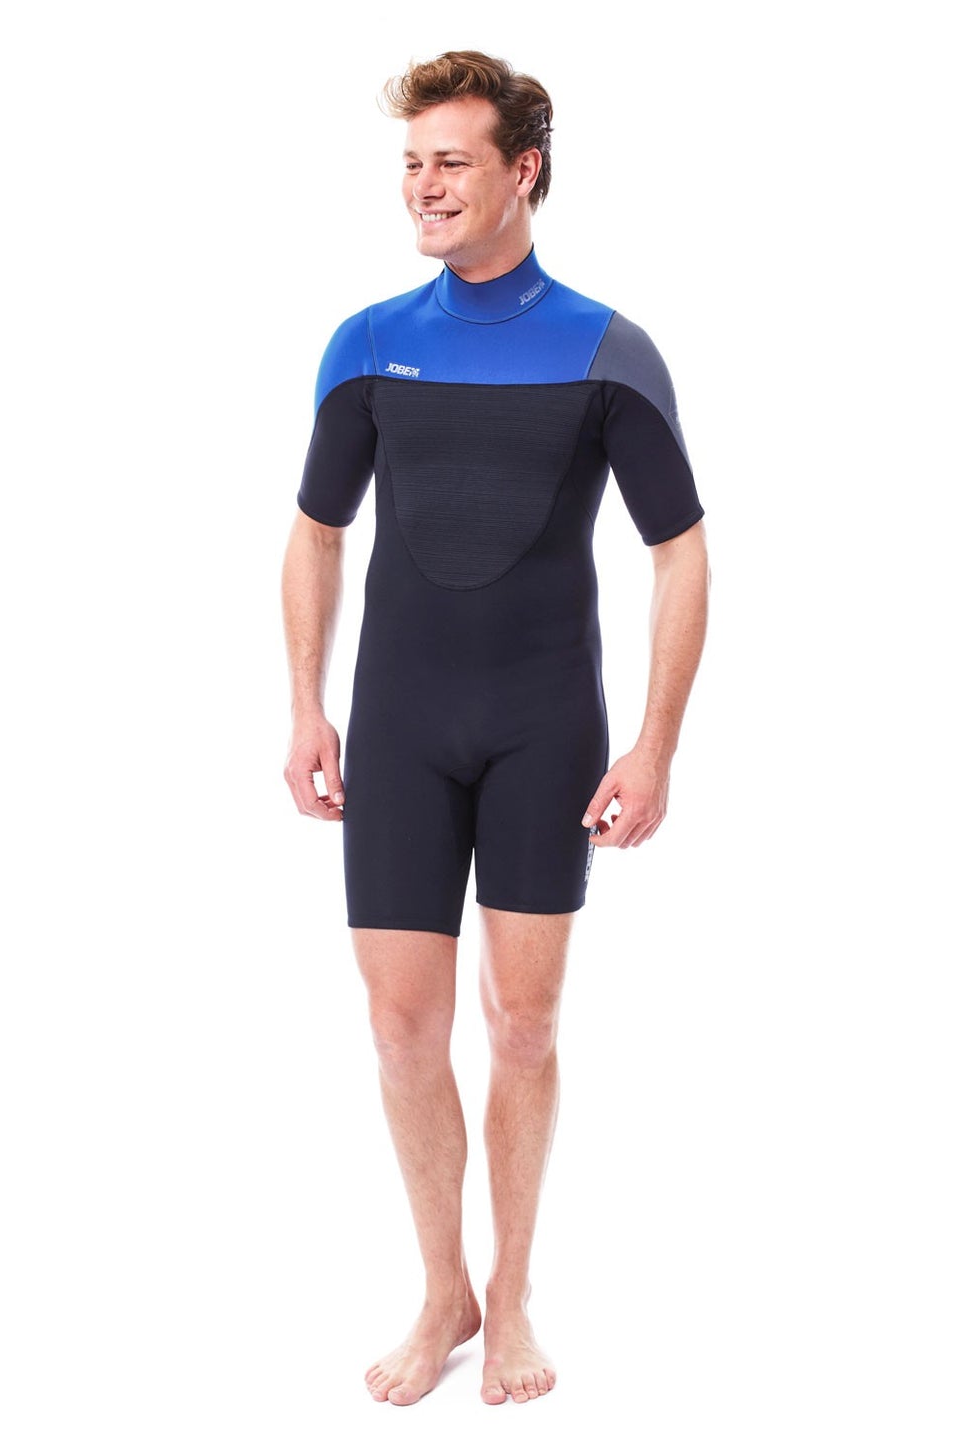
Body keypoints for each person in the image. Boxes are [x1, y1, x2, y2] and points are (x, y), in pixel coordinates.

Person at [281, 50, 709, 1407]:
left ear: (522, 171)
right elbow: (315, 530)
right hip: (400, 724)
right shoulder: (365, 343)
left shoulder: (603, 348)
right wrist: (305, 705)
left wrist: (654, 744)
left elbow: (681, 551)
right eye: (411, 163)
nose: (424, 186)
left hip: (543, 725)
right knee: (400, 1025)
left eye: (451, 161)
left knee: (522, 1023)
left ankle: (512, 1295)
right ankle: (442, 1291)